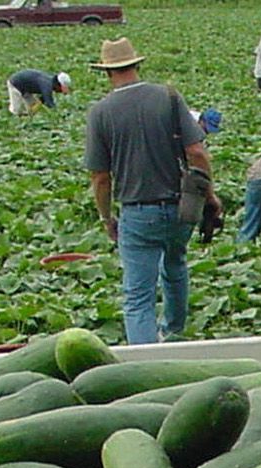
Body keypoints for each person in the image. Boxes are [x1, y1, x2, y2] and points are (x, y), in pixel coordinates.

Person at [84, 37, 219, 345]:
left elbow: (100, 177)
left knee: (138, 296)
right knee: (175, 265)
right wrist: (209, 195)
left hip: (137, 211)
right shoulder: (169, 97)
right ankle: (173, 332)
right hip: (180, 207)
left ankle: (147, 359)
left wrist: (106, 218)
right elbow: (197, 152)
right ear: (136, 65)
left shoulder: (100, 113)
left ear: (106, 72)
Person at [6, 69, 71, 116]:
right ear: (58, 84)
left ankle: (28, 118)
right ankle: (9, 117)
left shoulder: (49, 81)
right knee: (16, 111)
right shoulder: (47, 85)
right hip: (15, 85)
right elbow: (49, 103)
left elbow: (42, 99)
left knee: (32, 107)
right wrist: (59, 114)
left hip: (26, 89)